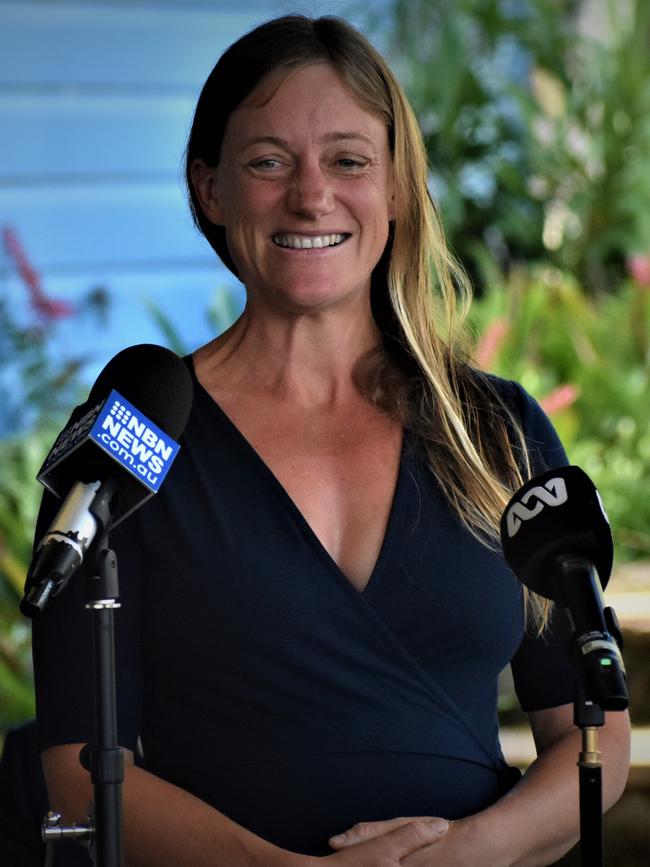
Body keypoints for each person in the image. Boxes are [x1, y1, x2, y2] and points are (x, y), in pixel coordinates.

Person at [31, 14, 630, 867]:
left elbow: (592, 735)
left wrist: (470, 851)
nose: (311, 196)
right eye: (268, 161)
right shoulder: (133, 440)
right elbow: (80, 768)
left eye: (348, 160)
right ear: (209, 188)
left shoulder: (495, 431)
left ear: (393, 186)